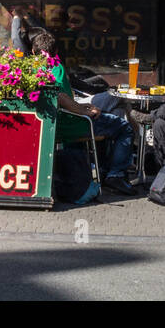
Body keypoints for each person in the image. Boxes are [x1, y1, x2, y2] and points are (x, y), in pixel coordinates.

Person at [32, 29, 138, 201]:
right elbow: (59, 95)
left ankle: (104, 170)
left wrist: (83, 105)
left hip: (52, 126)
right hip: (72, 124)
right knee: (123, 127)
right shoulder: (54, 66)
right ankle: (116, 175)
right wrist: (84, 110)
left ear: (32, 52)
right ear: (56, 51)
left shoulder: (30, 69)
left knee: (113, 112)